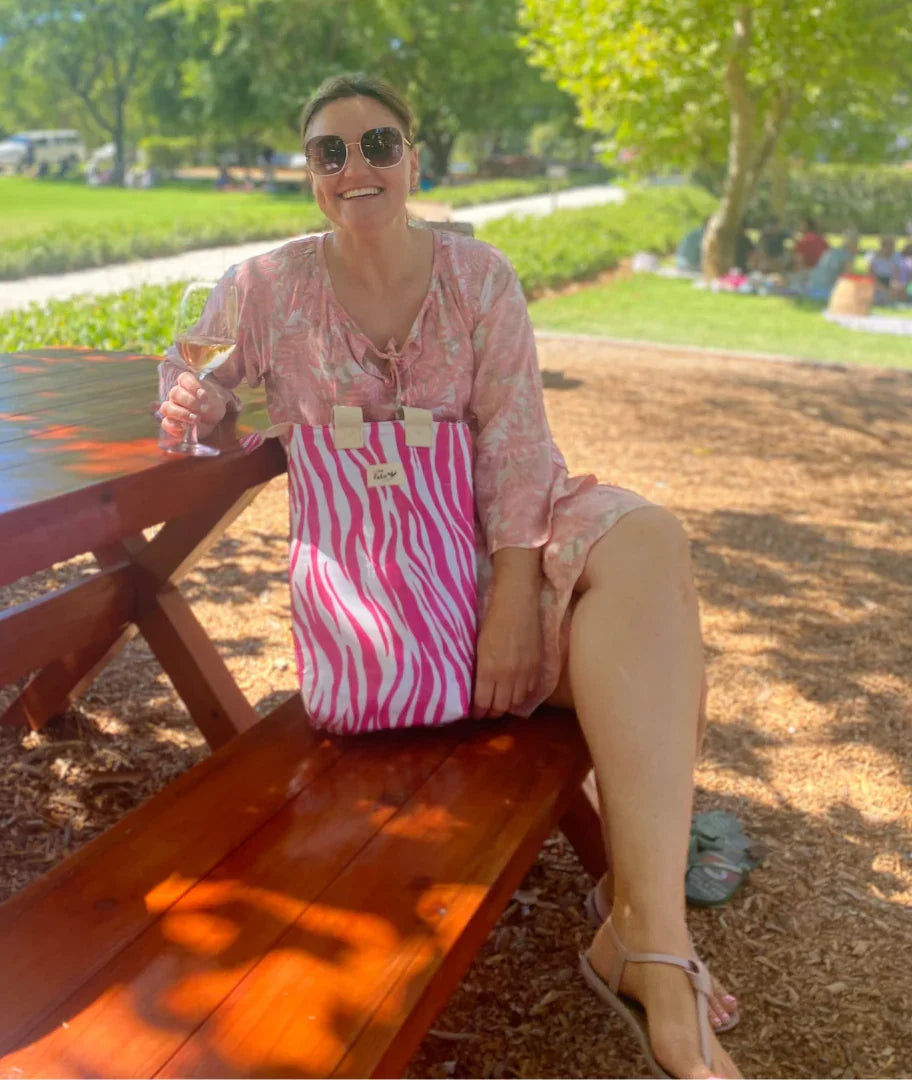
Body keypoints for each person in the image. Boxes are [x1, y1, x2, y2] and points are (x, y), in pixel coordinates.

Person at [158, 73, 741, 1080]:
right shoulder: (265, 288)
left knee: (651, 542)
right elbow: (199, 392)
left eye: (378, 143)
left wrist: (514, 595)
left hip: (501, 538)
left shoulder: (479, 277)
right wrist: (196, 407)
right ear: (308, 175)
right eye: (329, 151)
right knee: (666, 643)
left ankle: (652, 940)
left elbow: (519, 444)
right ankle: (644, 946)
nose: (356, 167)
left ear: (415, 159)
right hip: (389, 582)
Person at [804, 228, 859, 301]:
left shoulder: (831, 251)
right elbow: (848, 279)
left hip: (811, 289)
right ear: (855, 243)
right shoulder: (848, 256)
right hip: (827, 292)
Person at [867, 235, 904, 302]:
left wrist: (895, 284)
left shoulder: (896, 256)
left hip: (889, 280)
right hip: (877, 281)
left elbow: (896, 274)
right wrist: (882, 288)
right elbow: (870, 274)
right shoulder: (873, 256)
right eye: (889, 246)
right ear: (883, 246)